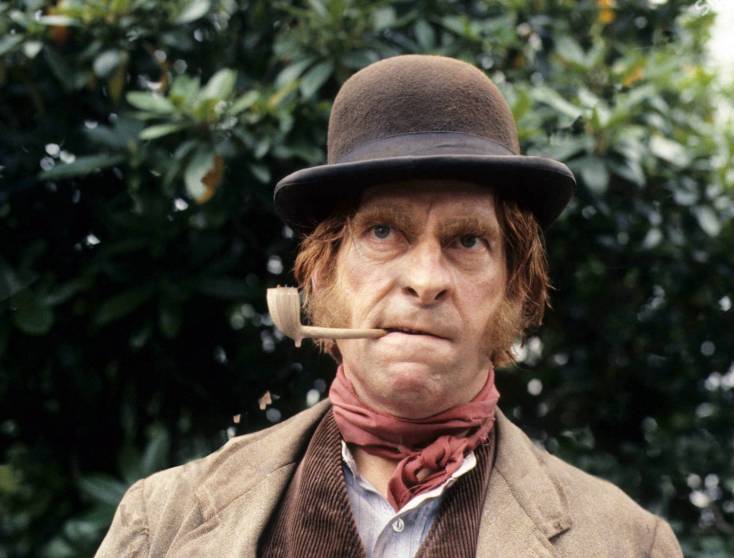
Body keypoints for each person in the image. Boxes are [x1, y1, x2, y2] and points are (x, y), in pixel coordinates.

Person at [97, 55, 683, 557]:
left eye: (468, 240)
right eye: (383, 232)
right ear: (321, 274)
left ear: (516, 289)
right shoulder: (162, 521)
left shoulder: (628, 543)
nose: (426, 281)